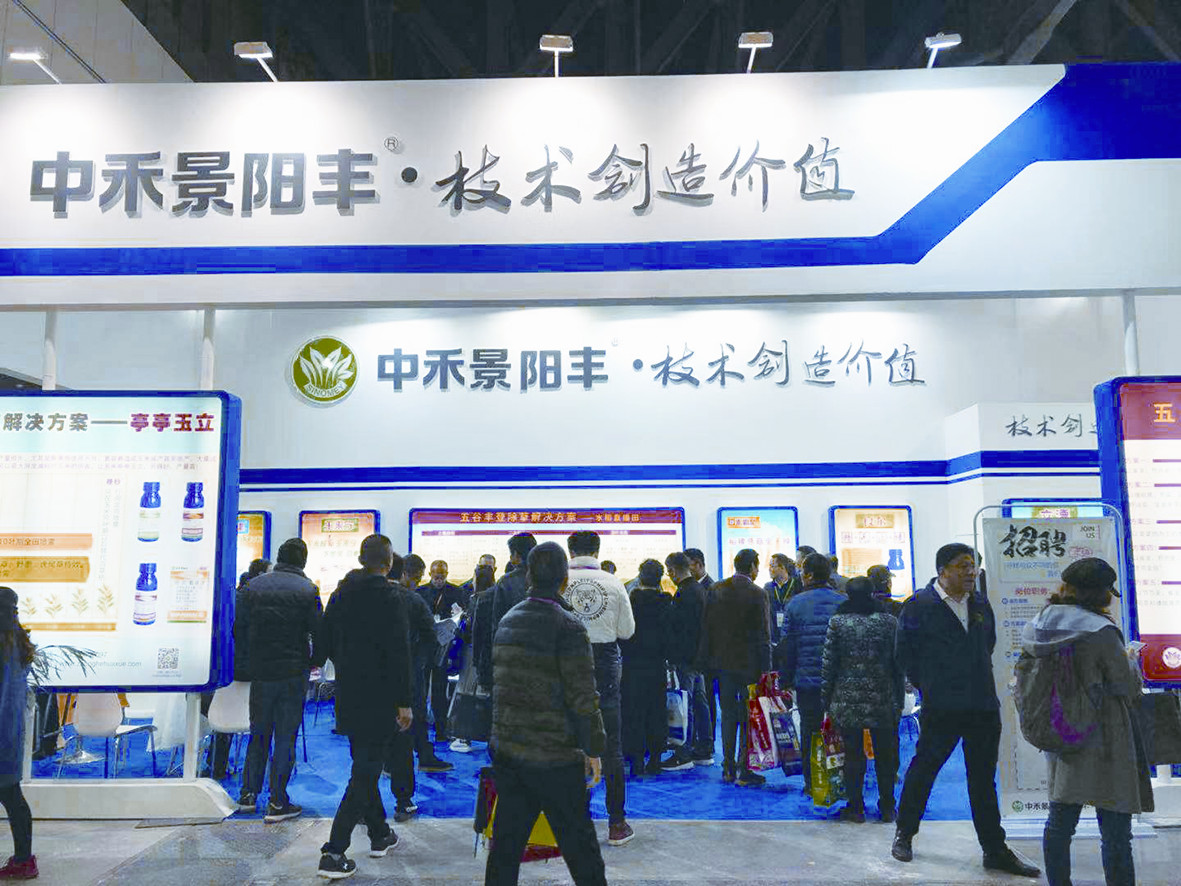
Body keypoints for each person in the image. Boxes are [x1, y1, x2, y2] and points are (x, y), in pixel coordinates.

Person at [892, 543, 1039, 878]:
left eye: (973, 565)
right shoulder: (919, 605)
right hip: (941, 707)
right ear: (942, 570)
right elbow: (904, 654)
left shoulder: (980, 603)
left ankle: (994, 849)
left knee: (983, 780)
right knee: (924, 769)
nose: (971, 572)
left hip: (982, 705)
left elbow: (988, 643)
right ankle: (905, 833)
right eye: (963, 566)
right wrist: (931, 685)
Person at [1024, 558, 1152, 886]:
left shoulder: (1040, 623)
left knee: (1060, 822)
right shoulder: (1100, 630)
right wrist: (1130, 660)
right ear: (1101, 593)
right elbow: (1125, 685)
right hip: (1105, 735)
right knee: (1115, 828)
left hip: (1061, 730)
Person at [486, 542, 607, 886]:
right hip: (556, 758)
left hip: (511, 752)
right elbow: (583, 697)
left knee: (505, 848)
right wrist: (594, 748)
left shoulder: (509, 620)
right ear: (564, 580)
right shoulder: (569, 627)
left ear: (528, 576)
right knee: (581, 849)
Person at [313, 534, 414, 880]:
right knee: (366, 772)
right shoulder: (391, 597)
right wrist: (404, 701)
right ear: (389, 562)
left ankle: (379, 833)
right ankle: (334, 850)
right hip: (381, 697)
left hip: (349, 694)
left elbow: (323, 642)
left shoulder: (340, 593)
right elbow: (399, 652)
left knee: (364, 765)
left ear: (360, 559)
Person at [234, 538, 322, 822]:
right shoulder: (308, 590)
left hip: (261, 671)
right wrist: (314, 662)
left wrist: (248, 660)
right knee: (285, 736)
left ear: (279, 557)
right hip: (293, 672)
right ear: (303, 561)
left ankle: (248, 795)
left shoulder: (252, 587)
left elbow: (238, 628)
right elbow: (319, 631)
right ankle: (277, 801)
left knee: (258, 733)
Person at [565, 530, 636, 846]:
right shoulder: (613, 582)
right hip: (604, 666)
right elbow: (627, 631)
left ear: (570, 551)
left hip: (566, 665)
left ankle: (572, 824)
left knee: (568, 745)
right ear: (597, 551)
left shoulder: (558, 582)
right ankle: (617, 823)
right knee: (612, 747)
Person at [821, 576, 903, 823]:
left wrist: (826, 698)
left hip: (846, 699)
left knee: (852, 755)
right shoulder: (889, 622)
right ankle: (888, 806)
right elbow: (898, 664)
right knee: (885, 755)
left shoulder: (838, 622)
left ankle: (855, 807)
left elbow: (829, 665)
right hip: (883, 697)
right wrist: (899, 698)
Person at [697, 548, 770, 786]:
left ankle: (727, 767)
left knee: (727, 715)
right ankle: (744, 769)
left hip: (721, 664)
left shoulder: (716, 589)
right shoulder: (758, 593)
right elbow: (763, 635)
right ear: (753, 567)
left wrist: (705, 661)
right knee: (748, 716)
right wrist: (767, 669)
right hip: (750, 666)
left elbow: (706, 628)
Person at [779, 552, 844, 798]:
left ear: (807, 576)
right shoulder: (842, 602)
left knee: (810, 729)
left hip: (807, 679)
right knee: (842, 730)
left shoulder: (795, 604)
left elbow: (787, 646)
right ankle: (841, 781)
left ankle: (811, 782)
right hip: (838, 679)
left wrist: (785, 679)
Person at [391, 555, 451, 785]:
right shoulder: (412, 600)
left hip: (382, 670)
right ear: (404, 573)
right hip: (411, 665)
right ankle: (420, 758)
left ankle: (390, 762)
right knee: (414, 711)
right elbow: (431, 635)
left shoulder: (369, 596)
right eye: (416, 578)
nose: (417, 583)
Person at [661, 551, 713, 769]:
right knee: (700, 702)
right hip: (699, 657)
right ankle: (704, 749)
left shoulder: (683, 594)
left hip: (686, 658)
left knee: (685, 704)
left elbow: (680, 630)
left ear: (673, 571)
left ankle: (684, 754)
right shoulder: (700, 590)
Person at [620, 559, 671, 777]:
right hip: (657, 664)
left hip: (632, 665)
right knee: (657, 711)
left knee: (634, 711)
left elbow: (623, 633)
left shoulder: (631, 601)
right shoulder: (666, 602)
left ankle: (637, 760)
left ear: (640, 576)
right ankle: (656, 759)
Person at [0, 588, 36, 880]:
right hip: (9, 734)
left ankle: (24, 860)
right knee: (13, 797)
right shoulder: (17, 641)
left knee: (12, 797)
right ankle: (24, 859)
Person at [449, 563, 496, 754]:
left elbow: (470, 629)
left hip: (472, 652)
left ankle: (463, 737)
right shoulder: (496, 598)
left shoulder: (476, 599)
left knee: (466, 693)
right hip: (490, 653)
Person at [422, 559, 465, 743]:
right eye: (436, 576)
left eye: (442, 576)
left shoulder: (456, 592)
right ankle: (420, 729)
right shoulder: (421, 592)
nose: (439, 580)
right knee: (421, 689)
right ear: (430, 574)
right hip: (424, 647)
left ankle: (441, 730)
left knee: (440, 690)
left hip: (445, 646)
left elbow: (462, 615)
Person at [490, 533, 538, 635]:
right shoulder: (546, 576)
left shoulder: (505, 582)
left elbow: (497, 621)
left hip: (513, 640)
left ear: (516, 554)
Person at [764, 553, 794, 643]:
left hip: (792, 633)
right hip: (773, 635)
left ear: (783, 568)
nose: (769, 569)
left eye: (772, 566)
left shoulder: (796, 585)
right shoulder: (768, 587)